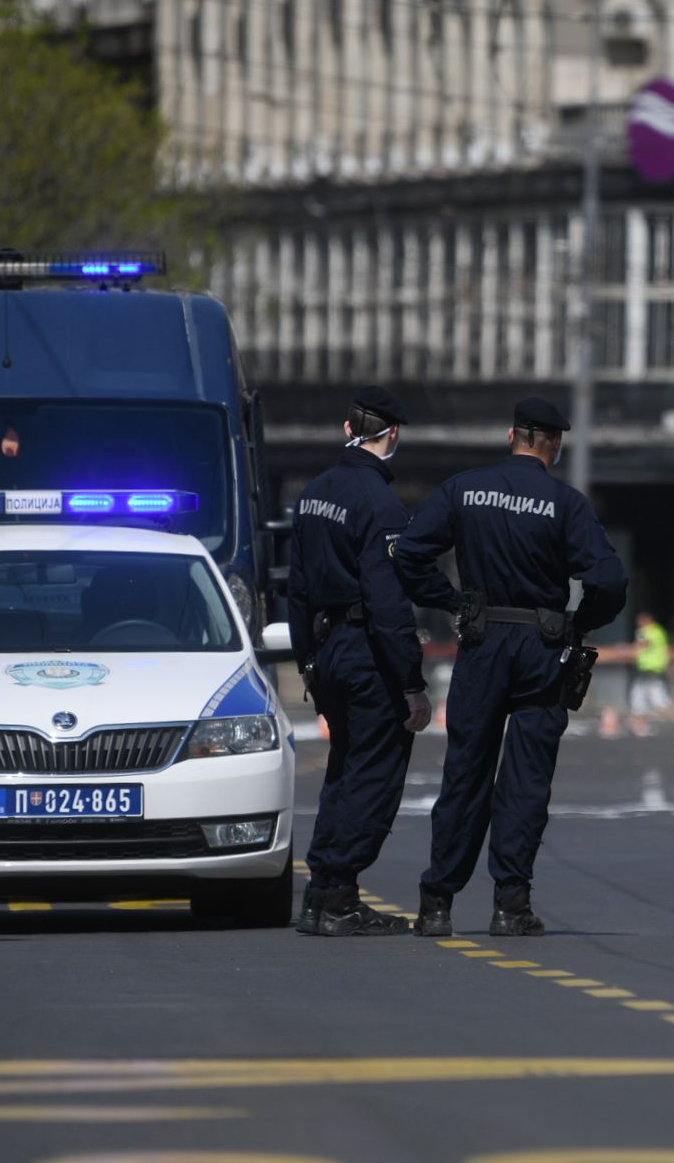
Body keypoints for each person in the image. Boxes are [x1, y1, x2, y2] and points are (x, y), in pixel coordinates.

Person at [392, 396, 628, 938]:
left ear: (511, 436)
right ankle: (510, 904)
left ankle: (437, 902)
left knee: (466, 772)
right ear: (556, 445)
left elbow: (408, 554)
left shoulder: (464, 488)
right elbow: (610, 581)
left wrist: (452, 602)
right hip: (542, 647)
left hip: (482, 642)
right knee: (526, 779)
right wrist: (578, 624)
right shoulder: (565, 503)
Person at [285, 386, 434, 938]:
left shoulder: (313, 493)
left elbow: (297, 589)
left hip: (327, 651)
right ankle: (341, 895)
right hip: (368, 652)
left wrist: (306, 661)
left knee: (343, 771)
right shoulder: (380, 504)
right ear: (391, 434)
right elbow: (389, 603)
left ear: (347, 428)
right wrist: (411, 682)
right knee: (373, 775)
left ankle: (319, 896)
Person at [629, 611, 674, 732]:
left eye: (640, 621)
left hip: (650, 669)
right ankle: (639, 726)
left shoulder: (648, 631)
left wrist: (625, 652)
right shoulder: (659, 631)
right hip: (652, 669)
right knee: (638, 696)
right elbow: (664, 650)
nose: (638, 624)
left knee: (657, 700)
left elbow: (641, 645)